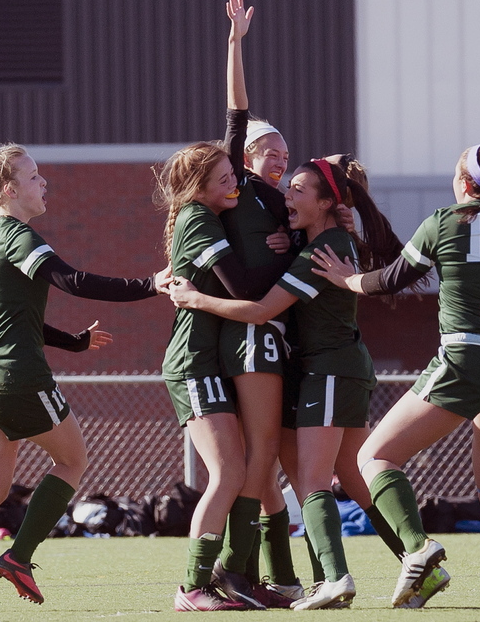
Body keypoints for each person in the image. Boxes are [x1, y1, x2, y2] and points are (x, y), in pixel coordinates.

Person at [0, 144, 171, 614]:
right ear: (11, 190)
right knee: (73, 461)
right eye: (34, 177)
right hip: (18, 379)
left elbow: (11, 314)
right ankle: (19, 556)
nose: (44, 183)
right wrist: (149, 286)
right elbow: (72, 281)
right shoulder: (18, 236)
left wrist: (72, 342)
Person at [311, 142, 480, 609]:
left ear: (464, 182)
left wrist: (344, 278)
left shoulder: (443, 222)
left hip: (467, 357)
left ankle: (419, 549)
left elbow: (391, 281)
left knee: (374, 457)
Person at [170, 158, 403, 609]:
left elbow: (259, 303)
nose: (280, 172)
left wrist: (329, 215)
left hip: (316, 363)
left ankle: (299, 573)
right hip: (265, 353)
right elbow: (247, 293)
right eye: (267, 154)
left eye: (298, 185)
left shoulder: (307, 232)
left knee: (308, 472)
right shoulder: (220, 211)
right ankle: (237, 576)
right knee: (281, 470)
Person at [154, 139, 297, 612]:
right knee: (231, 471)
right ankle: (192, 586)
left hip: (213, 359)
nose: (235, 182)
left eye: (233, 174)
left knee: (251, 471)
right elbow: (246, 288)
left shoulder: (210, 216)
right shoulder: (198, 219)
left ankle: (239, 576)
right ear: (198, 187)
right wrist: (295, 253)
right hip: (193, 361)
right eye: (224, 179)